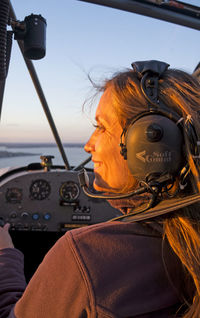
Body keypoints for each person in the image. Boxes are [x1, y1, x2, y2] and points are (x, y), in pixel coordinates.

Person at [0, 60, 200, 318]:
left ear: (154, 144)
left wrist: (5, 256)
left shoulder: (86, 256)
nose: (88, 145)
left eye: (101, 127)